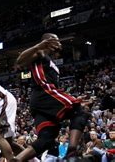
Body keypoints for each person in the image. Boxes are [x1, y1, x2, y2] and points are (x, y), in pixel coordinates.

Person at [13, 33, 90, 161]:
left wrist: (71, 98)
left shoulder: (50, 62)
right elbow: (19, 61)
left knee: (46, 139)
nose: (59, 43)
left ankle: (17, 160)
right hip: (44, 93)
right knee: (80, 111)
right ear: (48, 41)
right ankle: (71, 154)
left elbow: (55, 90)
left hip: (42, 101)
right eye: (56, 40)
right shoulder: (40, 53)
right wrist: (39, 46)